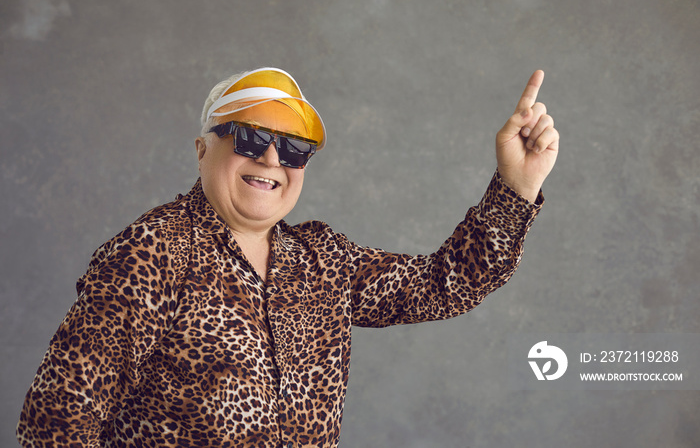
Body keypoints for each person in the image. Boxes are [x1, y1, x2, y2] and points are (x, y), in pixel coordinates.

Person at [17, 67, 558, 447]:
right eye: (250, 138)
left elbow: (446, 284)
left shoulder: (321, 259)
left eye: (295, 147)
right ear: (204, 148)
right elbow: (59, 417)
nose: (273, 158)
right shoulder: (154, 251)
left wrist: (515, 186)